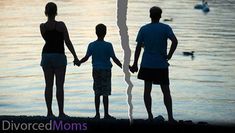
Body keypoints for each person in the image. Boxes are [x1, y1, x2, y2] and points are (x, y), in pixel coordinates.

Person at [129, 6, 178, 123]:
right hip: (161, 64)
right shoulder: (165, 28)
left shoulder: (144, 29)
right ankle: (170, 117)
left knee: (147, 90)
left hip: (147, 64)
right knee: (166, 91)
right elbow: (175, 41)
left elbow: (138, 48)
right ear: (160, 16)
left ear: (150, 15)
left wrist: (135, 63)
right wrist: (169, 55)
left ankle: (150, 116)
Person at [40, 2, 80, 117]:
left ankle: (49, 112)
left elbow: (47, 40)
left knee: (48, 85)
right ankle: (61, 113)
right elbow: (67, 42)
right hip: (59, 56)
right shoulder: (61, 25)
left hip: (46, 55)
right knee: (59, 85)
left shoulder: (42, 26)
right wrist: (75, 57)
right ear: (56, 12)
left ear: (45, 12)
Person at [79, 24, 122, 119]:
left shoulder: (91, 45)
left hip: (96, 70)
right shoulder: (108, 45)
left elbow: (86, 57)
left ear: (96, 32)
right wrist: (122, 67)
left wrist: (79, 62)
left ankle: (97, 114)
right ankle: (106, 114)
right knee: (105, 93)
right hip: (106, 71)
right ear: (105, 33)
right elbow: (114, 58)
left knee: (97, 92)